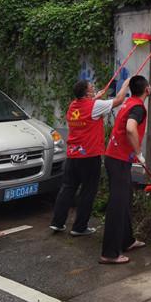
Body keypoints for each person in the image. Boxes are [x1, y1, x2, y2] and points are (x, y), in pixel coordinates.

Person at [50, 77, 130, 236]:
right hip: (89, 156)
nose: (94, 87)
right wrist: (127, 82)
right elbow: (119, 100)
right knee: (88, 191)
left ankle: (57, 223)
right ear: (87, 93)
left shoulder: (73, 106)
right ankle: (79, 227)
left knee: (67, 189)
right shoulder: (95, 106)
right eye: (91, 87)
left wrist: (95, 98)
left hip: (73, 155)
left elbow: (87, 109)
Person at [100, 75, 150, 264]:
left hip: (115, 158)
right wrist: (139, 153)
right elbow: (130, 128)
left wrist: (127, 82)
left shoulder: (129, 102)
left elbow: (121, 97)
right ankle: (109, 253)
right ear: (147, 90)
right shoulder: (138, 108)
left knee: (126, 198)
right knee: (117, 206)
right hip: (118, 160)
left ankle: (127, 240)